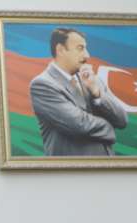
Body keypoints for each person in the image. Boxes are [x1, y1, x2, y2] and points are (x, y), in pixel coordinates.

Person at [29, 27, 128, 156]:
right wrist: (110, 127)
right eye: (80, 48)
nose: (87, 55)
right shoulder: (43, 85)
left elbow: (122, 120)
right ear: (60, 50)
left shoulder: (92, 80)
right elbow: (79, 125)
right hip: (73, 168)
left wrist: (97, 94)